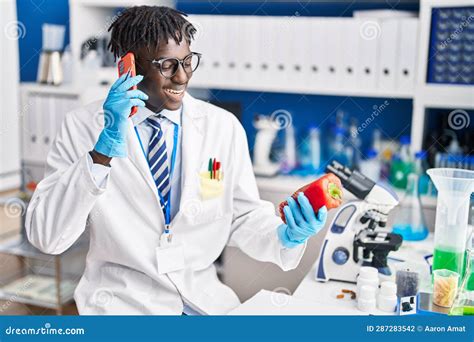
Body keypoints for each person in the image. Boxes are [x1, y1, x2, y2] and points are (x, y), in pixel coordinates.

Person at [25, 5, 327, 315]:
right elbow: (47, 236)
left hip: (205, 302)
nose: (182, 77)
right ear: (127, 67)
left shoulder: (222, 127)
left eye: (187, 62)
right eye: (167, 64)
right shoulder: (82, 126)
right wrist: (101, 153)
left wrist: (285, 235)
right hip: (123, 305)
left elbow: (242, 215)